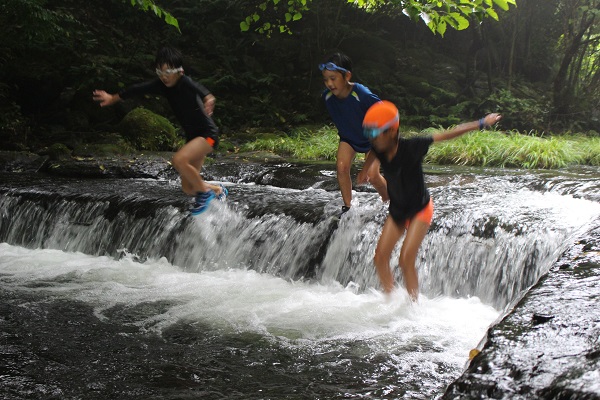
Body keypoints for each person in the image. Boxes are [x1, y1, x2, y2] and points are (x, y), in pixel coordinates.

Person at [359, 100, 501, 300]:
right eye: (367, 133)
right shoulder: (378, 149)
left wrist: (481, 123)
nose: (370, 139)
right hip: (398, 209)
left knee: (405, 259)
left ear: (391, 131)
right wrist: (366, 172)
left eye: (373, 133)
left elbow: (448, 134)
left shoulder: (412, 147)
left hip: (420, 209)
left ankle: (413, 306)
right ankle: (390, 300)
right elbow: (372, 158)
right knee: (380, 257)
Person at [93, 46, 226, 215]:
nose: (164, 76)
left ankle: (205, 194)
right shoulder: (161, 86)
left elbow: (201, 90)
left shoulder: (186, 82)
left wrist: (208, 97)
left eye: (168, 71)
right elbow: (137, 88)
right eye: (160, 72)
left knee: (178, 160)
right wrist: (113, 97)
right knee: (188, 188)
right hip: (193, 139)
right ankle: (217, 190)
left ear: (180, 72)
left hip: (208, 136)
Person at [320, 53, 389, 215]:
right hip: (349, 139)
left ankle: (389, 203)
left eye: (333, 78)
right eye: (325, 79)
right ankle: (348, 207)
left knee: (372, 175)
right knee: (341, 168)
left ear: (347, 76)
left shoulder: (362, 94)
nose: (329, 83)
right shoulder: (328, 97)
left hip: (373, 140)